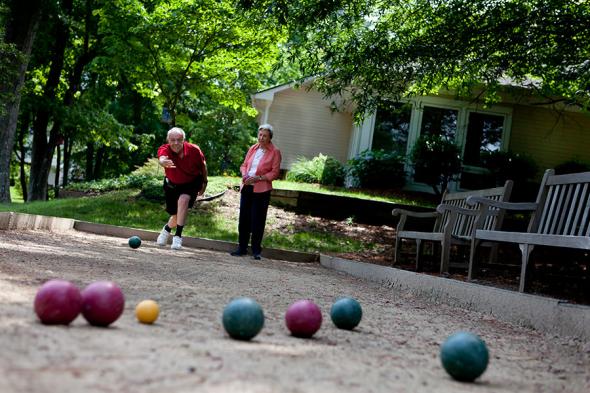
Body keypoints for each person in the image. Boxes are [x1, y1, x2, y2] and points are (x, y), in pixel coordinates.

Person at [230, 124, 282, 260]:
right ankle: (241, 248)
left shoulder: (275, 152)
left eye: (265, 136)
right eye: (260, 135)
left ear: (270, 137)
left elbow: (275, 172)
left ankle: (256, 250)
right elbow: (244, 165)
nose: (261, 138)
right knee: (244, 219)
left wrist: (259, 178)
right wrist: (244, 175)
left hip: (261, 189)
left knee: (257, 220)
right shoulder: (253, 148)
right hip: (247, 186)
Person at [156, 127, 208, 250]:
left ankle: (177, 237)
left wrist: (205, 182)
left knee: (183, 201)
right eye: (172, 140)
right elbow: (162, 158)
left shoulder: (194, 150)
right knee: (176, 214)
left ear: (184, 140)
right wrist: (163, 162)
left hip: (191, 182)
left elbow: (203, 166)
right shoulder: (165, 149)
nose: (176, 143)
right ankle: (166, 229)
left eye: (179, 140)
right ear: (168, 140)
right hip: (172, 184)